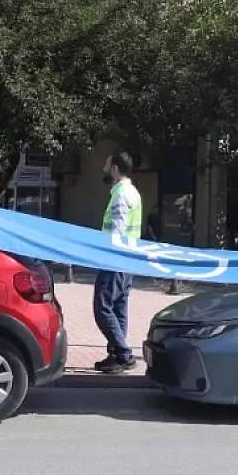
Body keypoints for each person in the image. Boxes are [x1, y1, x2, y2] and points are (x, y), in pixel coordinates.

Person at [94, 151, 142, 374]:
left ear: (115, 168)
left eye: (107, 162)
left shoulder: (121, 195)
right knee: (119, 307)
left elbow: (117, 231)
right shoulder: (132, 192)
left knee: (103, 307)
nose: (104, 165)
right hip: (127, 260)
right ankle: (117, 356)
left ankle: (123, 353)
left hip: (114, 260)